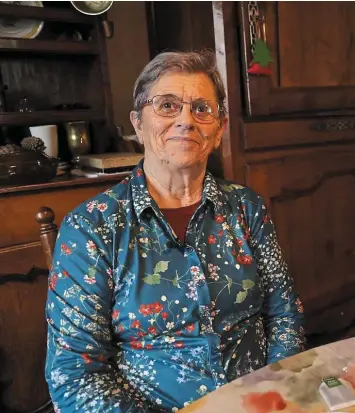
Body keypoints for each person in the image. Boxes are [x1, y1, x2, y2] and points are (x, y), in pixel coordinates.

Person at [45, 50, 305, 412]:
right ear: (138, 123)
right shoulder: (92, 228)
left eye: (202, 108)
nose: (186, 120)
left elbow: (284, 314)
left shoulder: (247, 208)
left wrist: (278, 389)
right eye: (167, 105)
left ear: (219, 130)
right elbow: (74, 374)